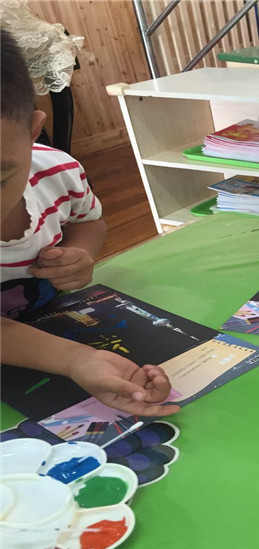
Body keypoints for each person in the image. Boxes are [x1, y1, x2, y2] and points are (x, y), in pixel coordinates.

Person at [0, 28, 179, 417]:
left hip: (51, 324)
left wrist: (81, 251)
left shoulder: (57, 171)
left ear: (32, 132)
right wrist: (74, 359)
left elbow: (89, 221)